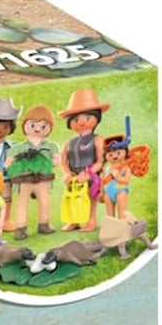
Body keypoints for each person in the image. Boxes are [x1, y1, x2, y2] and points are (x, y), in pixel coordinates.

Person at [58, 88, 109, 232]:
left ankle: (90, 220)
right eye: (76, 120)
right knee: (72, 197)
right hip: (74, 176)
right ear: (70, 122)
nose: (81, 122)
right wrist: (66, 172)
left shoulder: (98, 139)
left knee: (90, 197)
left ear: (96, 118)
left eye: (87, 118)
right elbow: (63, 160)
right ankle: (73, 220)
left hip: (90, 175)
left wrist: (88, 173)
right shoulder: (69, 142)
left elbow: (101, 161)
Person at [7, 105, 58, 239]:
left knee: (44, 202)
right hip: (24, 180)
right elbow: (8, 164)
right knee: (22, 203)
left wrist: (44, 161)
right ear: (24, 125)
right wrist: (21, 162)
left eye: (43, 126)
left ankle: (44, 224)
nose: (37, 129)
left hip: (42, 179)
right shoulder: (18, 148)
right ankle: (20, 227)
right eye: (33, 125)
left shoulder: (50, 147)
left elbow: (57, 161)